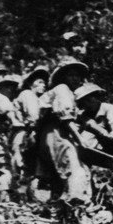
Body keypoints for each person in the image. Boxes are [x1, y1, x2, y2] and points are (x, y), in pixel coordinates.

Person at [33, 59, 92, 203]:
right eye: (71, 75)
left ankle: (62, 205)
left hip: (60, 132)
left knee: (76, 170)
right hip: (54, 131)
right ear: (63, 77)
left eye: (77, 75)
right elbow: (65, 117)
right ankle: (75, 203)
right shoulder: (62, 89)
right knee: (72, 165)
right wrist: (80, 139)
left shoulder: (75, 95)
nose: (75, 78)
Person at [12, 66, 49, 171]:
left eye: (45, 82)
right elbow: (33, 116)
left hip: (31, 133)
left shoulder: (39, 99)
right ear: (30, 84)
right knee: (21, 165)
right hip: (23, 133)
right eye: (40, 82)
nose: (44, 85)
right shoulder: (27, 94)